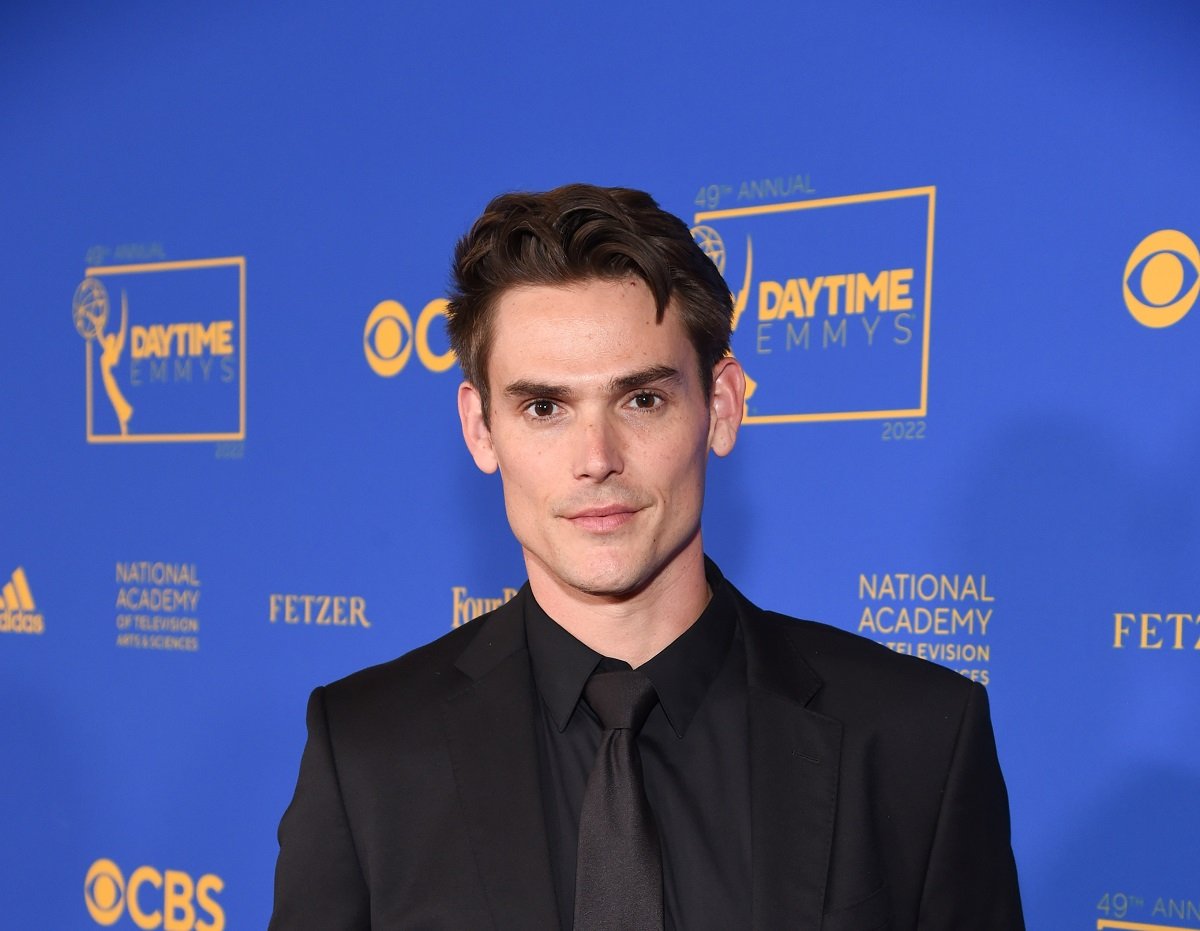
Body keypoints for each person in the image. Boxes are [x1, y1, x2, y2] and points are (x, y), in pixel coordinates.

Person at [269, 184, 1025, 930]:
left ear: (722, 405)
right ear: (480, 428)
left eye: (642, 400)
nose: (596, 458)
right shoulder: (368, 751)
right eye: (544, 408)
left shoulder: (914, 739)